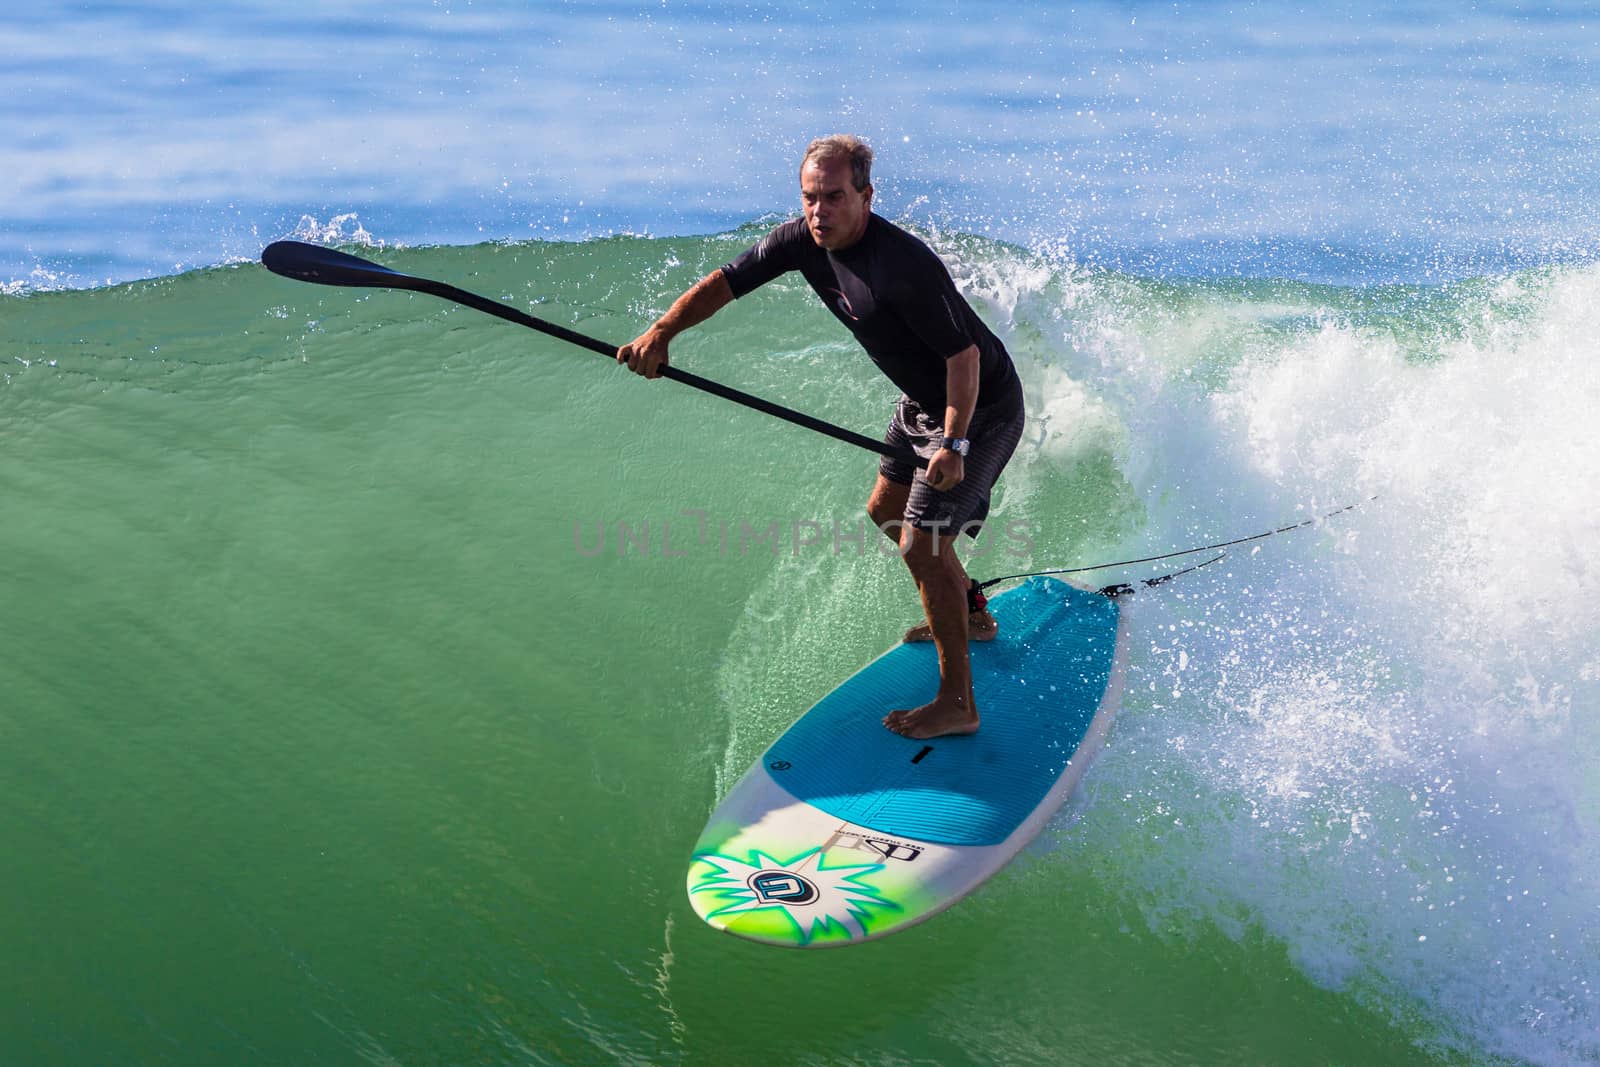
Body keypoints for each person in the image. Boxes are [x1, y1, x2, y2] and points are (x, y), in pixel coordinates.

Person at [617, 134, 1025, 740]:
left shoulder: (902, 265)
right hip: (920, 403)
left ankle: (958, 703)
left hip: (980, 408)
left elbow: (963, 357)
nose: (818, 211)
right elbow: (725, 282)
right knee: (884, 510)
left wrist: (955, 444)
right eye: (810, 197)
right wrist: (662, 332)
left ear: (866, 194)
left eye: (834, 197)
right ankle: (970, 613)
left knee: (923, 543)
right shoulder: (800, 241)